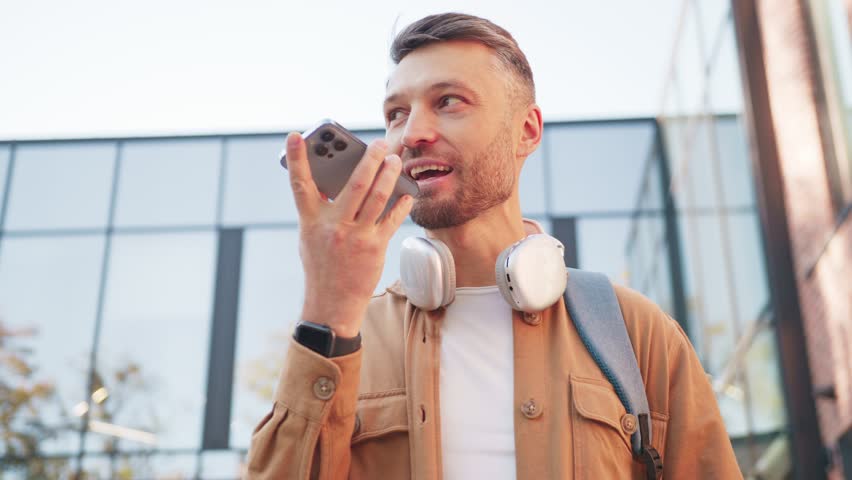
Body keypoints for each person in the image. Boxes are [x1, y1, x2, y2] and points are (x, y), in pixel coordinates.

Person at [245, 12, 742, 480]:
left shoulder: (635, 334)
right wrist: (328, 313)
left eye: (449, 101)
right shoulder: (347, 339)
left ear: (526, 131)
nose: (412, 134)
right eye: (397, 113)